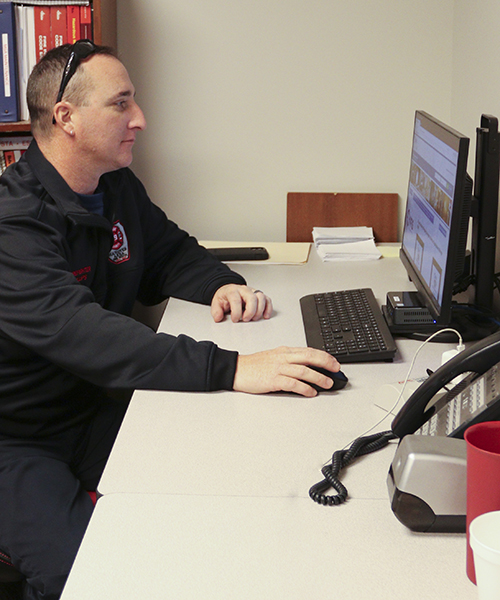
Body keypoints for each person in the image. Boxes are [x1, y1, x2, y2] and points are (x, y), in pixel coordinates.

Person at [0, 41, 340, 600]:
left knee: (217, 489)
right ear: (67, 118)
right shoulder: (15, 225)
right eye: (121, 104)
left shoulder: (111, 187)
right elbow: (86, 334)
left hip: (92, 408)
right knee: (82, 574)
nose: (140, 119)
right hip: (18, 439)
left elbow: (167, 252)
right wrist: (229, 367)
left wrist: (220, 284)